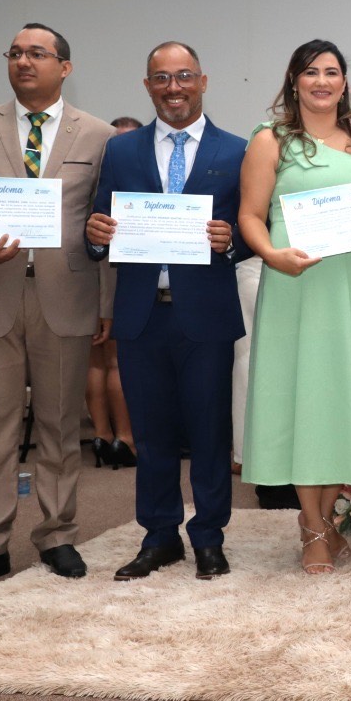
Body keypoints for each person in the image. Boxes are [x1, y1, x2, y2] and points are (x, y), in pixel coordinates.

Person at [0, 23, 113, 596]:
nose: (23, 61)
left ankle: (57, 536)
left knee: (60, 426)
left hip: (67, 299)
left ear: (65, 67)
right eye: (15, 53)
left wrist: (106, 303)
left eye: (37, 53)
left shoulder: (100, 136)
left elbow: (106, 224)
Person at [85, 43, 251, 580]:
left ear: (203, 81)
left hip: (205, 314)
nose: (173, 87)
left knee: (209, 433)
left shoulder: (238, 151)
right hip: (141, 315)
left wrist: (231, 241)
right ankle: (159, 537)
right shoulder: (121, 150)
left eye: (183, 76)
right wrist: (95, 234)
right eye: (161, 78)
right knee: (151, 434)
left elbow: (256, 228)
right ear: (147, 85)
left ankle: (208, 537)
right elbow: (100, 221)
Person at [238, 39, 351, 575]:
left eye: (332, 72)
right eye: (311, 72)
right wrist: (272, 256)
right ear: (294, 81)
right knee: (305, 397)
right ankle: (310, 524)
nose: (322, 81)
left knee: (340, 398)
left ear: (344, 83)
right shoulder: (271, 140)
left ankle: (327, 520)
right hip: (296, 284)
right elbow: (250, 215)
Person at [85, 116, 142, 470]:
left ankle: (101, 434)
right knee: (118, 363)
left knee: (95, 362)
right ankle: (126, 437)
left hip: (86, 277)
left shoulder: (95, 182)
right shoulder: (136, 181)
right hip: (117, 274)